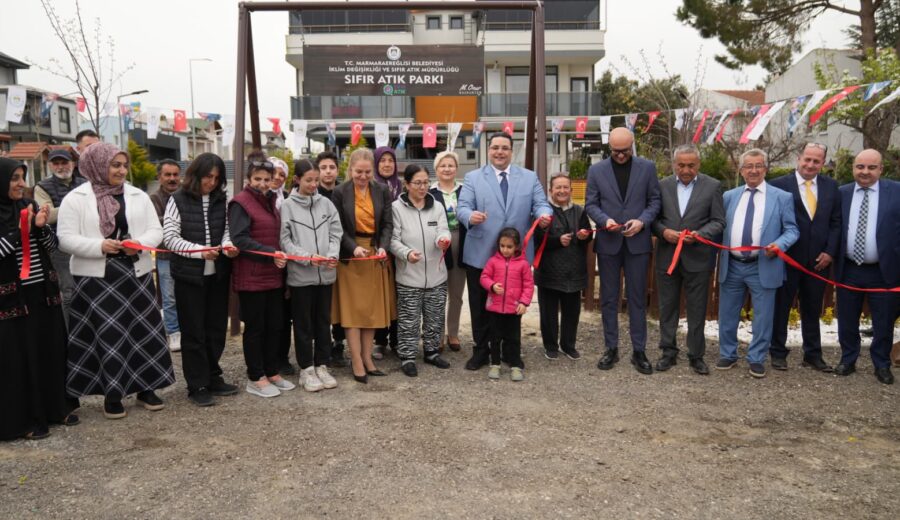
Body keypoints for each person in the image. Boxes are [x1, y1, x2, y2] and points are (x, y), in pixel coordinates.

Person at [59, 142, 174, 419]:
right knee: (107, 336)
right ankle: (113, 393)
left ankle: (147, 388)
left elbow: (155, 231)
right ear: (97, 165)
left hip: (136, 273)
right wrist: (99, 246)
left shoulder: (138, 195)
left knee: (143, 333)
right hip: (96, 278)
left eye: (124, 165)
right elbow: (65, 238)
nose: (122, 171)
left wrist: (139, 243)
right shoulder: (75, 198)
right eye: (115, 165)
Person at [457, 133, 552, 371]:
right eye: (495, 148)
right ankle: (481, 351)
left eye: (505, 148)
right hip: (480, 253)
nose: (500, 152)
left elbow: (541, 203)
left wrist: (543, 214)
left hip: (516, 258)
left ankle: (510, 352)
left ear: (512, 151)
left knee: (511, 307)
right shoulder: (473, 177)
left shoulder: (529, 178)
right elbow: (462, 207)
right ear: (488, 150)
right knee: (479, 307)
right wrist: (470, 216)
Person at [0, 158, 78, 440]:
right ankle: (25, 420)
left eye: (22, 177)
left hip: (42, 294)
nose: (22, 184)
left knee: (49, 350)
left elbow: (52, 246)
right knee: (20, 358)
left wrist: (40, 227)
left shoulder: (28, 208)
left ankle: (57, 408)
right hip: (11, 300)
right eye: (14, 179)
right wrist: (19, 228)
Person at [163, 152, 239, 407]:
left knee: (216, 329)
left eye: (217, 178)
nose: (212, 183)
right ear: (196, 175)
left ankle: (213, 375)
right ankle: (197, 384)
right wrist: (198, 251)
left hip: (217, 275)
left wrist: (228, 246)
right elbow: (171, 238)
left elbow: (226, 232)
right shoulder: (177, 200)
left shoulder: (221, 200)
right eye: (208, 177)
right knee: (193, 332)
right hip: (189, 276)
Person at [716, 149, 799, 378]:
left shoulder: (781, 197)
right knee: (728, 312)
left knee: (763, 316)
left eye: (758, 166)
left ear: (765, 169)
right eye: (748, 166)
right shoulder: (729, 196)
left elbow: (792, 230)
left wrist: (779, 245)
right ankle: (728, 353)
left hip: (763, 264)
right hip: (731, 264)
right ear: (741, 171)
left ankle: (756, 358)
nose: (753, 170)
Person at [585, 127, 661, 374]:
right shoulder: (596, 170)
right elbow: (591, 204)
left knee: (637, 298)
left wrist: (642, 221)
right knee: (608, 299)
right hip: (609, 242)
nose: (620, 155)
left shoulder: (647, 168)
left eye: (625, 151)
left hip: (637, 243)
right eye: (616, 151)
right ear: (610, 147)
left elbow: (655, 201)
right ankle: (611, 348)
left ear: (632, 146)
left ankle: (639, 351)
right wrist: (604, 220)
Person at [650, 145, 725, 375]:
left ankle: (696, 355)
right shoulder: (661, 186)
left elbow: (719, 221)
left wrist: (700, 234)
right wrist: (663, 232)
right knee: (667, 307)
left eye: (690, 165)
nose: (686, 170)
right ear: (674, 164)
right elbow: (653, 219)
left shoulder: (712, 186)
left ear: (698, 165)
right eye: (681, 165)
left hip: (698, 259)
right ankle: (668, 352)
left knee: (697, 308)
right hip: (667, 257)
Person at [769, 143, 841, 372]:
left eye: (816, 161)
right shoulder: (779, 186)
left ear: (823, 163)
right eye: (807, 159)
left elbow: (836, 223)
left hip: (818, 263)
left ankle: (812, 354)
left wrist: (830, 252)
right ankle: (778, 352)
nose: (810, 165)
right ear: (798, 158)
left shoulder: (831, 187)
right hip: (787, 260)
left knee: (812, 309)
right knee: (781, 307)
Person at [230, 153, 296, 397]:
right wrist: (271, 253)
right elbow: (240, 239)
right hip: (252, 276)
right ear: (249, 179)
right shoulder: (240, 202)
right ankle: (255, 376)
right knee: (256, 328)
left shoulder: (271, 202)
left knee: (275, 326)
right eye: (257, 178)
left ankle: (272, 371)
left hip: (272, 276)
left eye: (267, 179)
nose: (263, 183)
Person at [835, 149, 899, 385]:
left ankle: (881, 364)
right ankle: (848, 359)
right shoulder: (841, 193)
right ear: (854, 168)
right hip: (849, 268)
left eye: (871, 167)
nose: (865, 172)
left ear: (881, 169)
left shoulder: (896, 192)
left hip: (884, 270)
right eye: (860, 166)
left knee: (883, 321)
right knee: (847, 318)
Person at [331, 148, 395, 384]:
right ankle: (356, 360)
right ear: (351, 169)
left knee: (371, 310)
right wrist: (351, 247)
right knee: (353, 311)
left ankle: (368, 358)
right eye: (359, 171)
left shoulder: (382, 190)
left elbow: (387, 223)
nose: (363, 176)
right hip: (351, 255)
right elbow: (336, 226)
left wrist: (383, 247)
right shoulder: (340, 192)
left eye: (368, 172)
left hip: (374, 252)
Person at [282, 158, 342, 391]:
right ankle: (306, 369)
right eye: (309, 180)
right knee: (303, 324)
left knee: (323, 322)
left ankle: (322, 365)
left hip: (326, 274)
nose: (314, 184)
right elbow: (285, 239)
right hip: (301, 275)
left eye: (316, 180)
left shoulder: (326, 204)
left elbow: (336, 232)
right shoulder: (287, 205)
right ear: (297, 180)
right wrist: (307, 257)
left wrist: (332, 254)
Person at [391, 164, 452, 377]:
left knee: (435, 316)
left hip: (436, 274)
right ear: (406, 184)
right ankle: (407, 356)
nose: (422, 187)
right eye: (417, 182)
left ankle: (432, 351)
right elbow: (393, 240)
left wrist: (443, 240)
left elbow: (443, 229)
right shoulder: (396, 208)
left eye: (426, 182)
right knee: (409, 319)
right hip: (409, 275)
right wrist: (407, 253)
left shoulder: (436, 206)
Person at [534, 173, 592, 360]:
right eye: (558, 187)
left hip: (573, 269)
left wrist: (584, 235)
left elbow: (587, 235)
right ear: (550, 191)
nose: (562, 191)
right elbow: (538, 240)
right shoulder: (544, 213)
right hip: (549, 269)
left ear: (571, 190)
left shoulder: (579, 211)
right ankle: (550, 345)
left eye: (565, 187)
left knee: (571, 311)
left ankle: (568, 345)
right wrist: (557, 241)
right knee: (548, 311)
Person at [32, 148, 85, 323]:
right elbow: (47, 215)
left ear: (73, 163)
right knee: (69, 292)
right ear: (50, 166)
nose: (61, 166)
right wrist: (78, 206)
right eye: (56, 163)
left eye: (64, 162)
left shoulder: (85, 182)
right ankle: (70, 338)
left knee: (90, 289)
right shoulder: (42, 186)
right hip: (60, 245)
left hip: (87, 243)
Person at [480, 227, 534, 381]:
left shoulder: (523, 264)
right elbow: (484, 277)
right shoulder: (492, 261)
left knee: (514, 339)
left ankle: (516, 365)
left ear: (517, 246)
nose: (505, 250)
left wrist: (524, 302)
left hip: (514, 309)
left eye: (509, 246)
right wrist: (491, 286)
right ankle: (495, 364)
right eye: (502, 246)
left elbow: (528, 285)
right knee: (495, 338)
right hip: (495, 308)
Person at [430, 150, 466, 352]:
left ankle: (452, 332)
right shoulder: (430, 192)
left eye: (450, 165)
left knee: (457, 293)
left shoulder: (465, 190)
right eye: (443, 165)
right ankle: (437, 334)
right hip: (437, 242)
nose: (447, 169)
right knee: (438, 292)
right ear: (436, 169)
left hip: (461, 240)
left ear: (456, 168)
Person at [316, 151, 347, 367]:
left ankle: (339, 344)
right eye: (323, 167)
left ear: (337, 170)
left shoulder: (344, 192)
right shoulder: (311, 192)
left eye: (332, 167)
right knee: (322, 305)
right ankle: (321, 346)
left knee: (340, 302)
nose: (328, 171)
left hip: (342, 254)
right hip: (317, 255)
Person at [149, 159, 182, 352]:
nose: (172, 179)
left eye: (175, 174)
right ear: (159, 177)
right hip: (165, 256)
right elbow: (156, 224)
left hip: (188, 254)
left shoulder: (187, 195)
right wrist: (179, 220)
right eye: (167, 175)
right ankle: (173, 332)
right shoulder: (153, 199)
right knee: (169, 297)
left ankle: (186, 329)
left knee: (187, 296)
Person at [372, 146, 401, 360]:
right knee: (381, 295)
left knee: (399, 295)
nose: (387, 164)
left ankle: (397, 339)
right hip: (379, 248)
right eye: (383, 160)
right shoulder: (371, 186)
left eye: (391, 160)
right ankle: (379, 341)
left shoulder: (402, 186)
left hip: (399, 250)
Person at [268, 156, 295, 376]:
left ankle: (282, 357)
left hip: (286, 264)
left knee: (285, 315)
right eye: (273, 173)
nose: (277, 178)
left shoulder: (286, 200)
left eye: (281, 175)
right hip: (264, 262)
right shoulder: (256, 198)